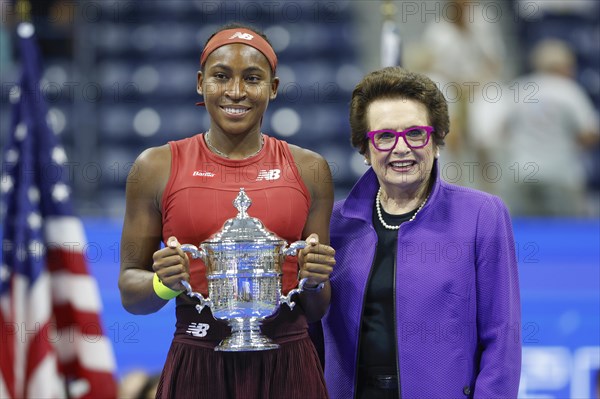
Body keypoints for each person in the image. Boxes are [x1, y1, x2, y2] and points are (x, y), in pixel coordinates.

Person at [118, 23, 335, 398]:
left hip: (289, 362)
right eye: (221, 76)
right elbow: (129, 290)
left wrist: (314, 281)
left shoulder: (311, 169)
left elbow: (316, 307)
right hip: (197, 359)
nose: (236, 92)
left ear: (273, 88)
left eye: (252, 78)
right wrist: (162, 284)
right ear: (201, 82)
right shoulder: (155, 167)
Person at [321, 67, 521, 398]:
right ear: (365, 150)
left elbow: (503, 336)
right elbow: (313, 332)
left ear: (438, 141)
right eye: (384, 137)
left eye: (415, 133)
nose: (401, 148)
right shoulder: (335, 222)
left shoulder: (482, 215)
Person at [501, 39, 599, 216]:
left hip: (522, 173)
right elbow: (589, 133)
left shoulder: (519, 88)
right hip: (560, 174)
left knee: (527, 236)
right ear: (563, 66)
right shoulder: (569, 90)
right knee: (564, 235)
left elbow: (503, 130)